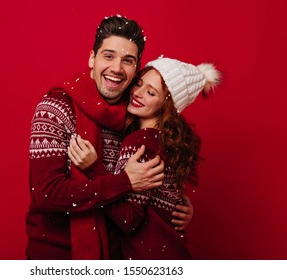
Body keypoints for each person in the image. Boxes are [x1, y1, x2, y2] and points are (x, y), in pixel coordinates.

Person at [26, 15, 194, 260]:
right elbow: (49, 195)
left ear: (136, 68)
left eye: (128, 60)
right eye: (109, 56)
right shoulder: (55, 108)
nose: (116, 68)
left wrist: (173, 205)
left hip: (116, 255)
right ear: (92, 58)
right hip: (57, 255)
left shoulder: (135, 114)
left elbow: (147, 183)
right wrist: (125, 182)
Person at [69, 56, 221, 259]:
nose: (138, 93)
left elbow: (129, 219)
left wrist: (93, 168)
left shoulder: (140, 142)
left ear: (167, 106)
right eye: (139, 84)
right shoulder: (166, 142)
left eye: (151, 93)